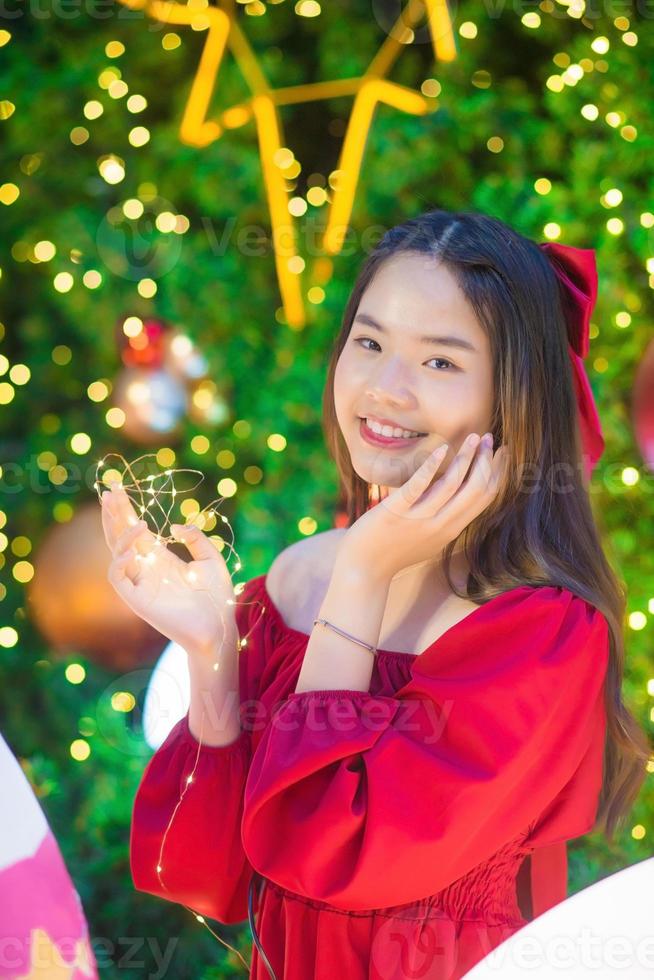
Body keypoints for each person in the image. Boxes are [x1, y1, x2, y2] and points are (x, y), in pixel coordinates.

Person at [101, 209, 649, 980]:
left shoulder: (540, 633)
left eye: (442, 363)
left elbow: (325, 852)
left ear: (513, 398)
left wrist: (363, 577)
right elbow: (212, 870)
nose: (385, 388)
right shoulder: (296, 577)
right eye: (370, 341)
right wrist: (211, 653)